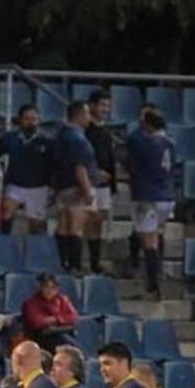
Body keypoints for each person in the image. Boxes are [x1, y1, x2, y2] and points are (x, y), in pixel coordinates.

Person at [126, 107, 175, 300]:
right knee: (157, 233)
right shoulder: (171, 142)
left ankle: (153, 283)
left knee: (149, 240)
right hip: (167, 195)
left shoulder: (146, 143)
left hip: (148, 195)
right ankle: (157, 274)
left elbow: (132, 161)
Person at [50, 101, 99, 273]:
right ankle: (74, 265)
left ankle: (62, 262)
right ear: (78, 115)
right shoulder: (76, 138)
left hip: (62, 185)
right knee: (75, 227)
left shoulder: (62, 135)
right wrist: (86, 189)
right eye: (86, 114)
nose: (89, 118)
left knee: (63, 224)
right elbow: (80, 166)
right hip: (76, 187)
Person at [0, 104, 52, 233]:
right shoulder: (7, 139)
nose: (31, 122)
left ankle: (36, 250)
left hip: (38, 186)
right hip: (15, 185)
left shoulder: (47, 142)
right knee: (6, 214)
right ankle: (4, 246)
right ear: (20, 120)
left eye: (34, 119)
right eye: (27, 119)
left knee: (37, 224)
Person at [83, 90, 117, 273]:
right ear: (93, 106)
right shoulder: (85, 130)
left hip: (104, 185)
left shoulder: (106, 131)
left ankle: (95, 261)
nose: (105, 109)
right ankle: (78, 260)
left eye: (108, 105)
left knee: (98, 222)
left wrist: (113, 184)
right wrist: (93, 173)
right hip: (88, 182)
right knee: (86, 220)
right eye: (102, 105)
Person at [21, 273, 79, 350]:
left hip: (61, 333)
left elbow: (73, 317)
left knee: (70, 346)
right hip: (41, 338)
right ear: (41, 287)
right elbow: (37, 322)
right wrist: (61, 319)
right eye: (46, 287)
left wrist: (56, 319)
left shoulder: (63, 300)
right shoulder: (31, 303)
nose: (50, 290)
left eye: (53, 287)